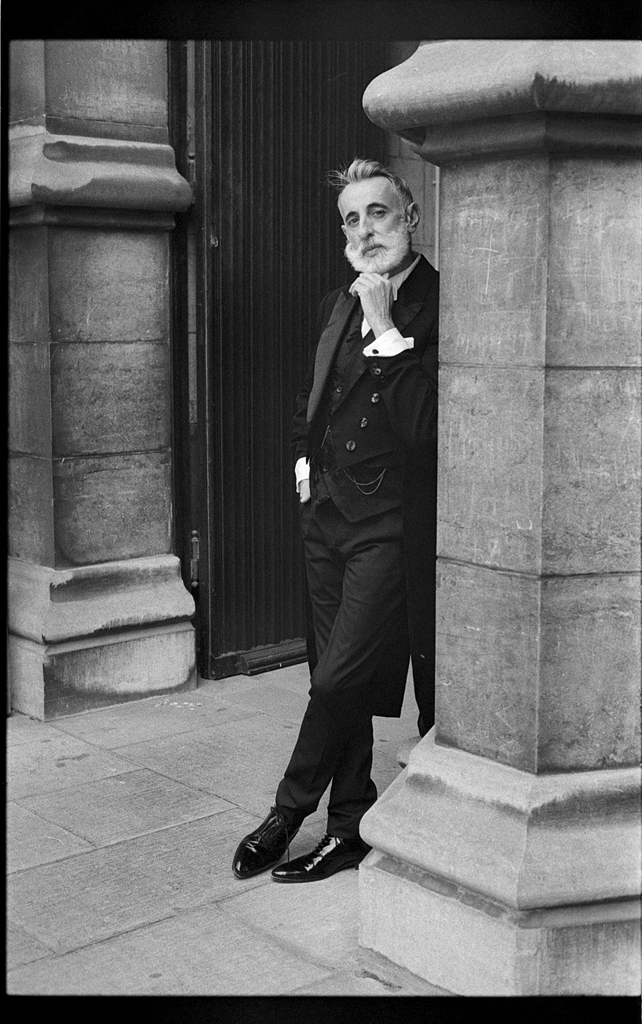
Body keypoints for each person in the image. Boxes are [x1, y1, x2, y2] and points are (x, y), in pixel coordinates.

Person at [232, 157, 439, 883]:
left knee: (342, 671)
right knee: (332, 672)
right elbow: (312, 398)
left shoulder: (440, 303)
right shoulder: (334, 301)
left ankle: (287, 811)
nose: (363, 230)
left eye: (377, 213)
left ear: (409, 215)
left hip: (390, 521)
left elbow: (425, 427)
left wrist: (385, 324)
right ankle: (348, 824)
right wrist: (300, 470)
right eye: (351, 219)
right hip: (325, 514)